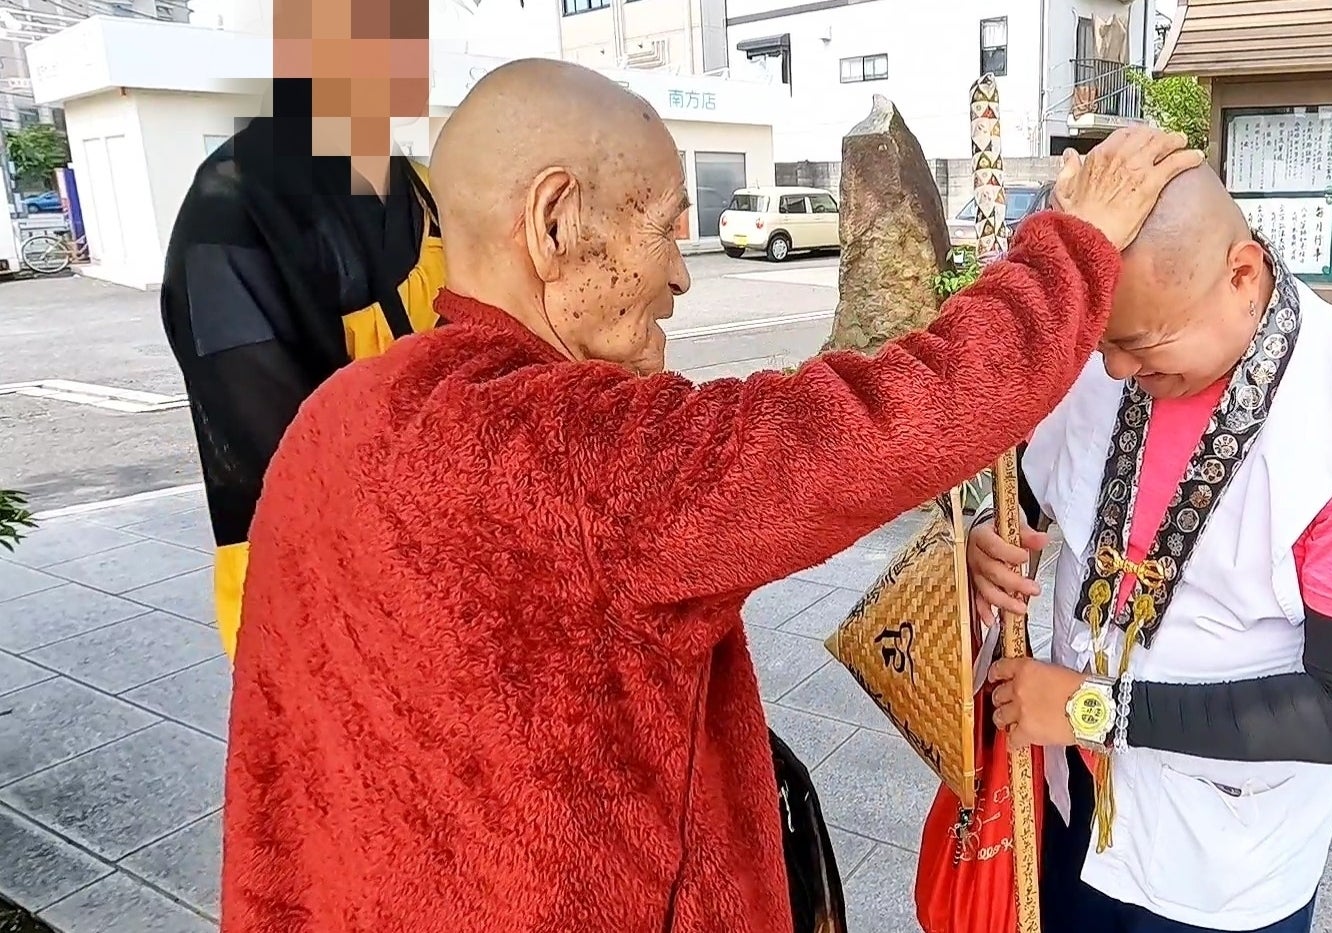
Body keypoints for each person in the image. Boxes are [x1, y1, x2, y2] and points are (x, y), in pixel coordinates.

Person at [218, 58, 1203, 933]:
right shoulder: (579, 457)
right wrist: (1069, 249)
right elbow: (887, 422)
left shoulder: (333, 421)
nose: (680, 279)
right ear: (555, 222)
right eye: (663, 228)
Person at [971, 165, 1332, 933]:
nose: (1116, 369)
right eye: (1103, 344)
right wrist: (989, 535)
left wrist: (1087, 706)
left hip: (1224, 861)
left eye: (1141, 343)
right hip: (1074, 803)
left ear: (1242, 274)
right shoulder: (1115, 349)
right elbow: (1030, 487)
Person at [158, 0, 442, 659]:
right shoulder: (232, 209)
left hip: (447, 566)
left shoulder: (425, 186)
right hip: (317, 591)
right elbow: (289, 450)